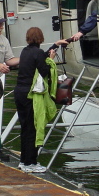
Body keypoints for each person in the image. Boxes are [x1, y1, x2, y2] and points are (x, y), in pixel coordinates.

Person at [14, 27, 68, 173]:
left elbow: (39, 58)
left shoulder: (25, 51)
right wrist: (51, 60)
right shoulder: (37, 53)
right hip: (31, 95)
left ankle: (23, 161)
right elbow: (44, 70)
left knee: (26, 128)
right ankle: (31, 163)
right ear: (41, 38)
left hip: (19, 92)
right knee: (34, 127)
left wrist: (55, 45)